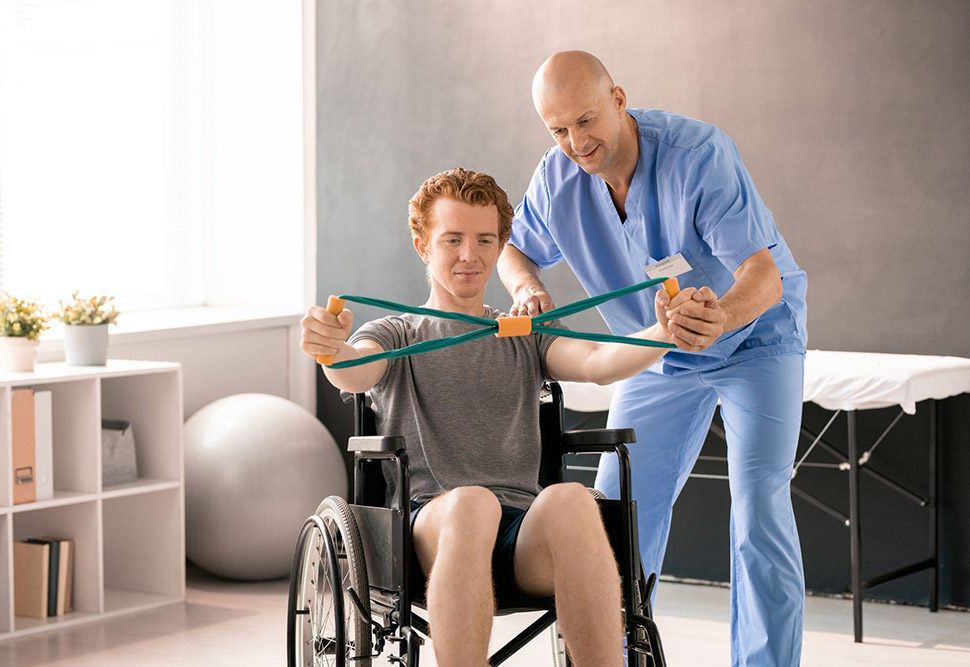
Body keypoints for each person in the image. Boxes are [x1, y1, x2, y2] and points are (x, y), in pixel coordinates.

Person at [300, 168, 704, 667]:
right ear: (423, 245)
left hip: (518, 536)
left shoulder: (525, 332)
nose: (470, 255)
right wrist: (331, 350)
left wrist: (663, 332)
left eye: (484, 240)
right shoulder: (396, 332)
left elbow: (599, 362)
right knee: (472, 504)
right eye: (452, 239)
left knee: (574, 499)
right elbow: (354, 371)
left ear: (500, 245)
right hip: (428, 531)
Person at [498, 51, 808, 667]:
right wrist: (525, 286)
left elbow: (762, 275)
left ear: (618, 98)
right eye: (557, 130)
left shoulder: (698, 156)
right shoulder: (557, 177)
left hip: (755, 340)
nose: (576, 142)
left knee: (758, 507)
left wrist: (721, 315)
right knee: (614, 516)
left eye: (586, 121)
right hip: (659, 352)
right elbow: (513, 250)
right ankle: (616, 658)